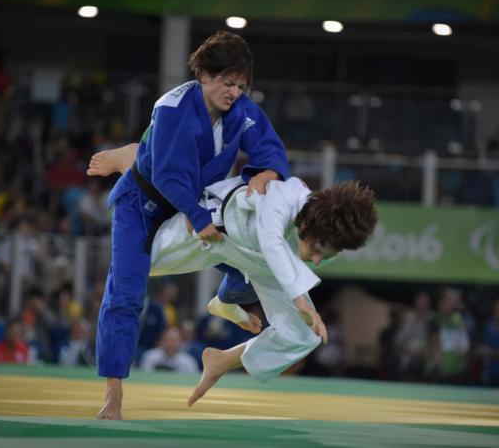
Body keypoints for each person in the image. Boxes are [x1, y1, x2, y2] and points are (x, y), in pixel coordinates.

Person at [94, 31, 289, 419]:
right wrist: (199, 219)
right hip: (142, 204)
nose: (233, 92)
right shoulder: (172, 108)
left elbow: (269, 148)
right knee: (126, 293)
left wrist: (266, 173)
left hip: (194, 200)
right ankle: (113, 394)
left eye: (240, 85)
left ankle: (228, 299)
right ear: (203, 73)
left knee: (252, 256)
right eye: (225, 82)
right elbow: (168, 175)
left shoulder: (243, 111)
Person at [89, 145, 377, 408]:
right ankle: (135, 158)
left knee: (305, 335)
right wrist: (300, 299)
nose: (316, 260)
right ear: (309, 224)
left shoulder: (326, 240)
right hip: (214, 230)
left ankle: (223, 360)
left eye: (325, 256)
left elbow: (281, 258)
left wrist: (299, 297)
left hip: (255, 259)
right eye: (316, 249)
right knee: (140, 264)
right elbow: (271, 241)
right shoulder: (285, 196)